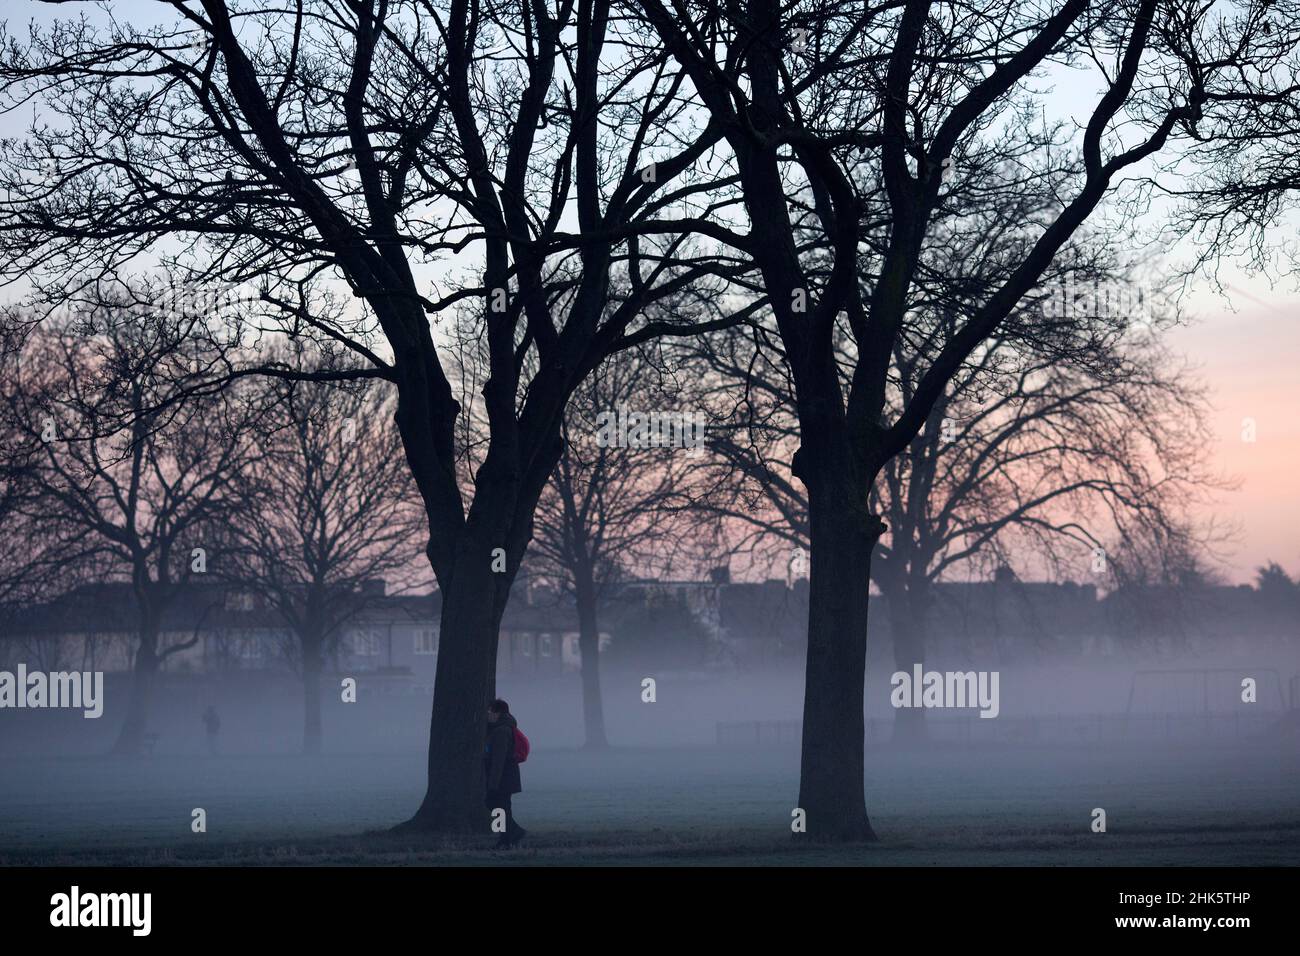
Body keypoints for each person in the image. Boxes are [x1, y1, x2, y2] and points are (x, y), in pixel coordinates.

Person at [485, 698, 525, 848]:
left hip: (502, 776)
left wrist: (493, 783)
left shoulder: (501, 731)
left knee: (496, 805)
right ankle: (506, 837)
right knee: (501, 807)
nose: (487, 714)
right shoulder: (501, 728)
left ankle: (510, 834)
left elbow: (498, 760)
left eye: (490, 711)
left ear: (497, 713)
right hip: (505, 776)